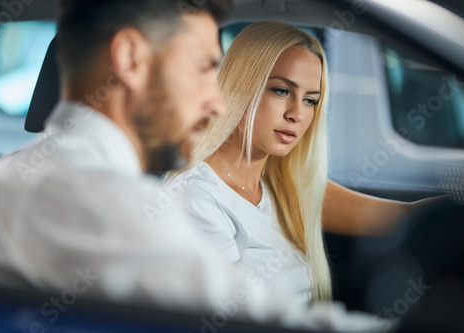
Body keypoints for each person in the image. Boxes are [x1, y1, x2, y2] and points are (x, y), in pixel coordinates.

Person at [0, 1, 388, 332]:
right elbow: (256, 322)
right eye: (203, 68)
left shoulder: (15, 174)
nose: (218, 101)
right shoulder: (98, 197)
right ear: (130, 59)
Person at [167, 21, 438, 306]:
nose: (297, 113)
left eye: (310, 100)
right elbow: (232, 318)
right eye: (281, 91)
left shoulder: (285, 184)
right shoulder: (197, 197)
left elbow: (402, 217)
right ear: (240, 86)